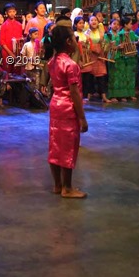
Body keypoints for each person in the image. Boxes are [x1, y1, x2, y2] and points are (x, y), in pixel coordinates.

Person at [47, 25, 88, 198]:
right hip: (67, 108)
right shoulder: (71, 65)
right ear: (68, 41)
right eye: (74, 38)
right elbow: (74, 93)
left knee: (55, 146)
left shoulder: (53, 61)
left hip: (55, 105)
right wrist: (82, 118)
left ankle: (57, 185)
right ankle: (67, 188)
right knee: (69, 147)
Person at [105, 18, 139, 102]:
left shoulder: (120, 35)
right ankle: (113, 95)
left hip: (121, 56)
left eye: (117, 24)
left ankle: (121, 95)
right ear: (110, 24)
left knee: (121, 77)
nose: (116, 26)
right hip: (112, 57)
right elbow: (106, 48)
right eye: (114, 24)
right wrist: (117, 47)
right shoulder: (108, 35)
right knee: (113, 77)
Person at [0, 3, 23, 73]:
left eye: (13, 11)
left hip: (17, 52)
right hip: (7, 52)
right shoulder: (4, 25)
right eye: (9, 12)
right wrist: (10, 53)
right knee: (7, 72)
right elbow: (2, 41)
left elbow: (20, 39)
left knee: (17, 71)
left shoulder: (19, 25)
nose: (12, 13)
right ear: (6, 13)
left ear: (15, 12)